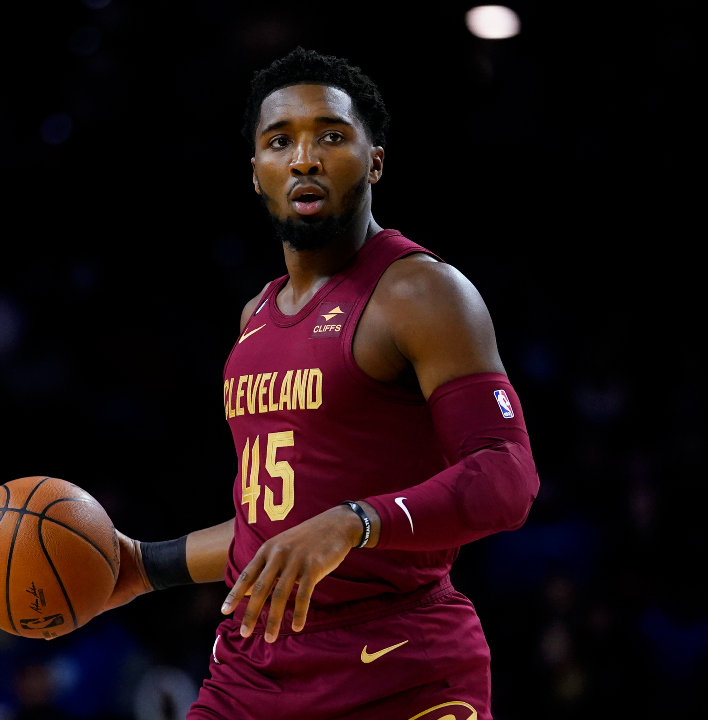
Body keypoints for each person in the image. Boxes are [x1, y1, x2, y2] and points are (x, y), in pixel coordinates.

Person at [102, 48, 539, 720]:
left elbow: (508, 477)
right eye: (280, 141)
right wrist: (140, 566)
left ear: (375, 160)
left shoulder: (421, 291)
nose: (304, 157)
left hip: (399, 662)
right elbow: (271, 528)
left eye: (331, 136)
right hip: (256, 669)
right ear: (256, 174)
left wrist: (357, 522)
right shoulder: (255, 318)